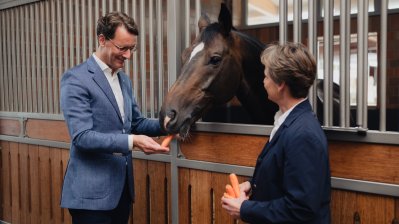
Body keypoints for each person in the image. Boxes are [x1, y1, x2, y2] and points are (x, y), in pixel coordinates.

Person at [60, 11, 169, 223]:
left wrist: (167, 125)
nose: (128, 55)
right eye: (123, 48)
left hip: (121, 193)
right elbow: (82, 137)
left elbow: (135, 123)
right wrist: (132, 141)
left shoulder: (124, 80)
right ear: (102, 39)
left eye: (132, 48)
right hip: (90, 197)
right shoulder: (75, 79)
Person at [221, 42, 331, 224]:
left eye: (265, 76)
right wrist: (251, 185)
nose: (263, 82)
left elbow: (301, 208)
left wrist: (244, 209)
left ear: (280, 84)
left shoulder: (303, 134)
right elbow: (282, 175)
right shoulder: (288, 121)